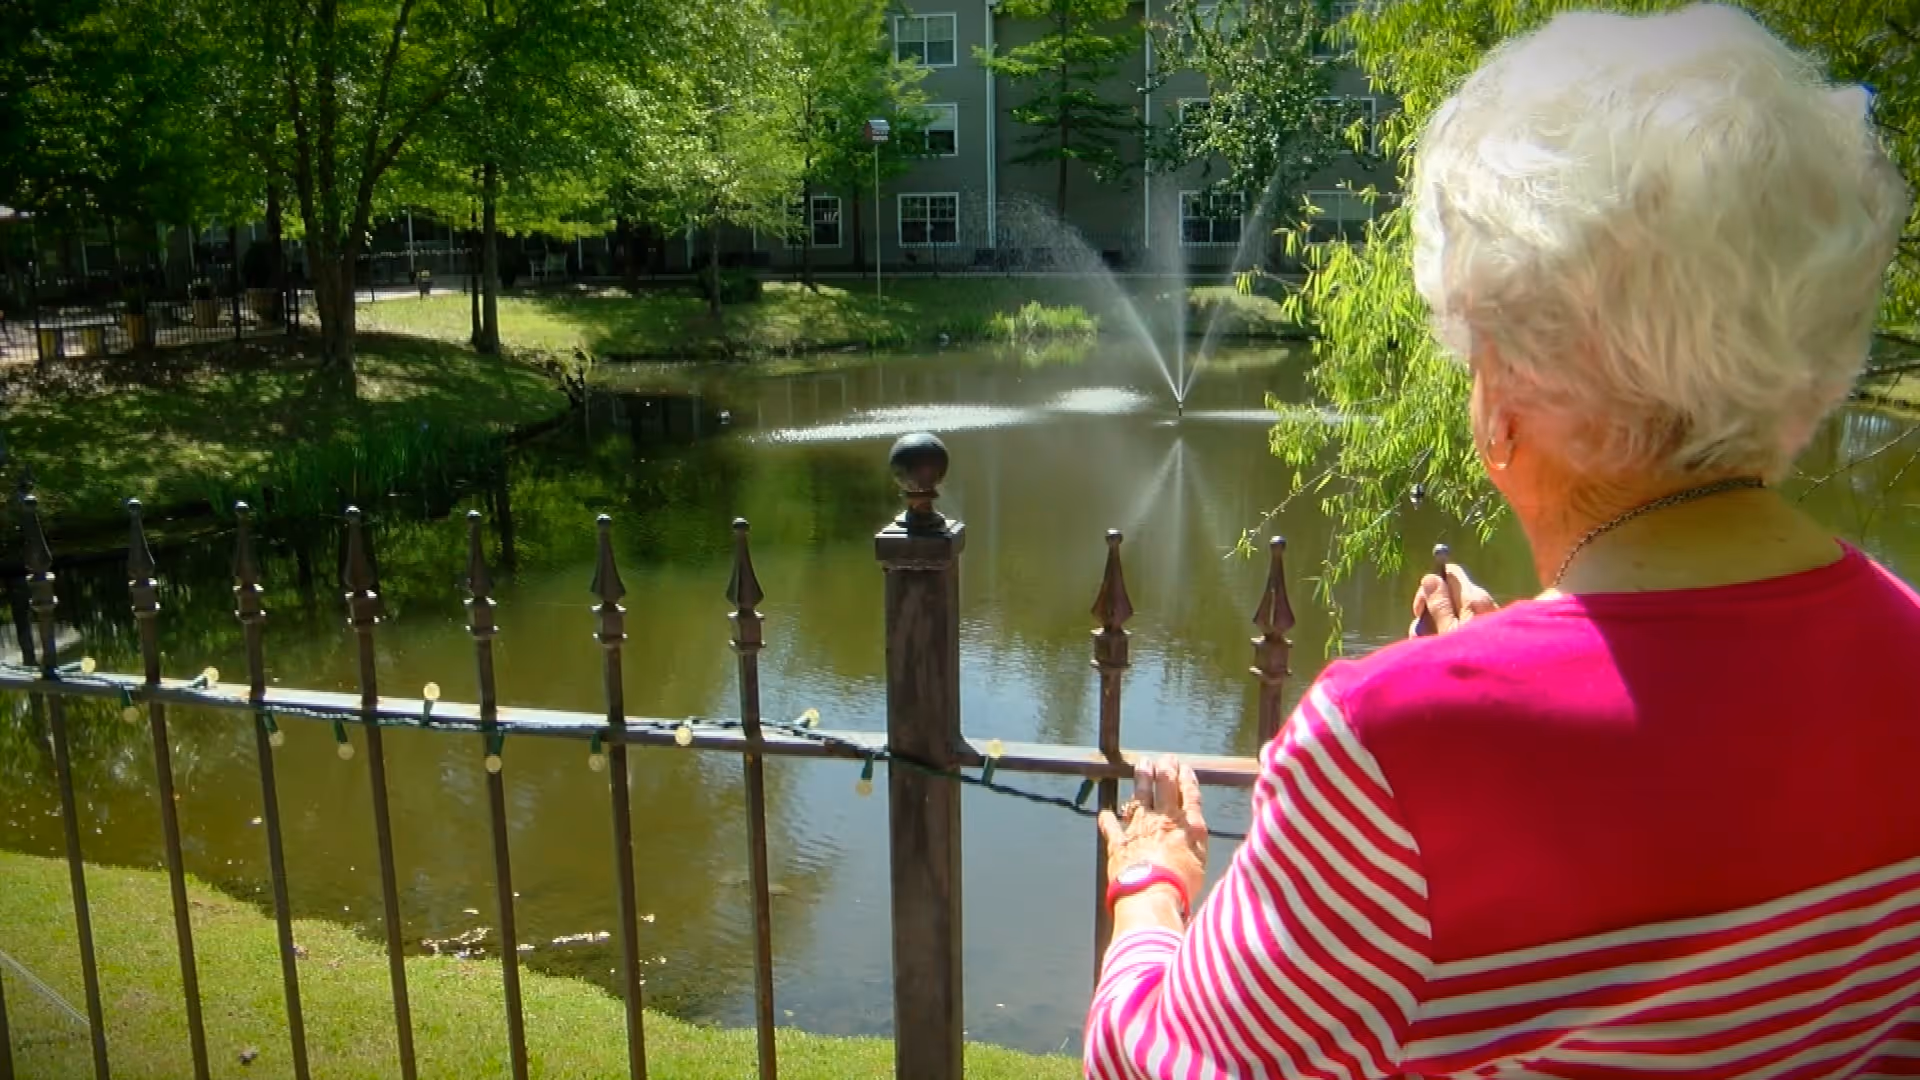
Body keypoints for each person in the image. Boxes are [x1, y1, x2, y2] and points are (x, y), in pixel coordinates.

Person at [1084, 5, 1919, 1078]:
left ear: (1508, 397)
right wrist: (1516, 662)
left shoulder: (1391, 754)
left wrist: (1149, 891)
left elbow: (1155, 1065)